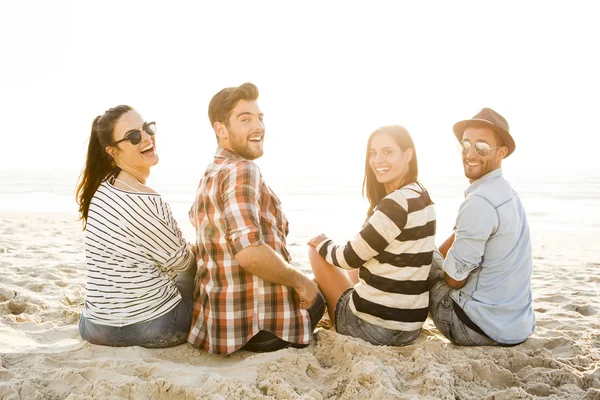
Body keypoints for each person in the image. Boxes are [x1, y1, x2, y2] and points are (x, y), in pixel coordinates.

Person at [188, 82, 325, 355]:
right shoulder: (242, 170)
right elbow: (248, 251)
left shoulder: (211, 173)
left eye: (260, 118)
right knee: (320, 291)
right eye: (245, 119)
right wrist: (300, 282)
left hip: (220, 327)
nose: (258, 126)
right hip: (259, 330)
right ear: (221, 130)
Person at [76, 105, 196, 348]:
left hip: (96, 329)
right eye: (133, 136)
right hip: (156, 328)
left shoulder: (99, 190)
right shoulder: (149, 200)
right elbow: (183, 263)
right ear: (112, 151)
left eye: (147, 128)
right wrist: (194, 251)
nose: (146, 137)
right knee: (192, 270)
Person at [308, 125, 436, 346]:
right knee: (363, 265)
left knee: (315, 251)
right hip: (410, 328)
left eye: (387, 152)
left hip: (372, 329)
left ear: (408, 155)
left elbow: (348, 259)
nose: (378, 160)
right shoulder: (422, 197)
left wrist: (323, 244)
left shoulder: (395, 204)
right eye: (373, 153)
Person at [429, 107, 535, 346]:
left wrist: (429, 261)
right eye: (465, 145)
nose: (471, 154)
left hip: (474, 327)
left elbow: (455, 280)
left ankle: (389, 324)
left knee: (416, 258)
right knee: (430, 253)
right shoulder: (508, 194)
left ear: (501, 153)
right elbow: (462, 236)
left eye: (482, 147)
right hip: (516, 327)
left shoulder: (479, 202)